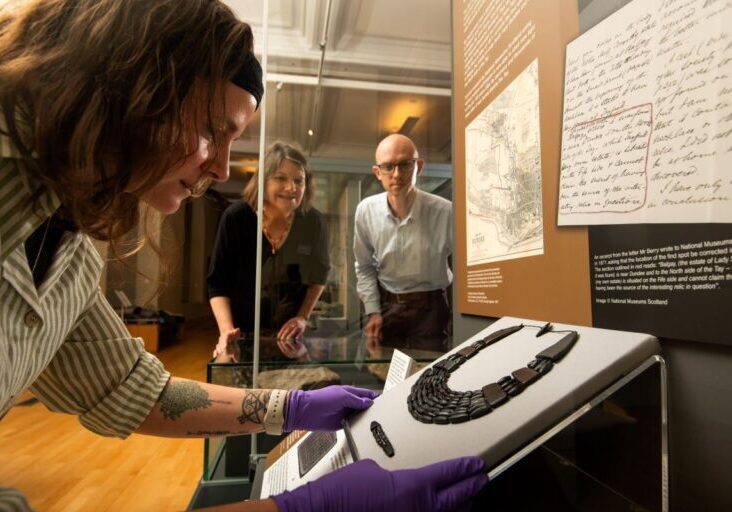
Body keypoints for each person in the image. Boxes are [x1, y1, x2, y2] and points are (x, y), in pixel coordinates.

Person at [0, 1, 487, 511]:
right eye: (213, 130)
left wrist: (291, 406)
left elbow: (131, 387)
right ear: (132, 90)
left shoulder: (68, 250)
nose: (222, 168)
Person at [208, 142, 329, 363]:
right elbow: (218, 283)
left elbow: (319, 276)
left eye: (298, 181)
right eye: (281, 178)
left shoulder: (313, 221)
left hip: (291, 339)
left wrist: (302, 317)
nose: (291, 187)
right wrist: (227, 332)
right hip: (241, 335)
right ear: (263, 181)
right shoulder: (236, 217)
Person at [354, 134, 453, 352]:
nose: (397, 174)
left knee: (432, 373)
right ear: (378, 172)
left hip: (432, 309)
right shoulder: (366, 211)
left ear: (419, 166)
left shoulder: (446, 212)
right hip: (388, 307)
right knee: (387, 374)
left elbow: (467, 271)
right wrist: (373, 311)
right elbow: (364, 266)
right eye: (388, 166)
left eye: (405, 165)